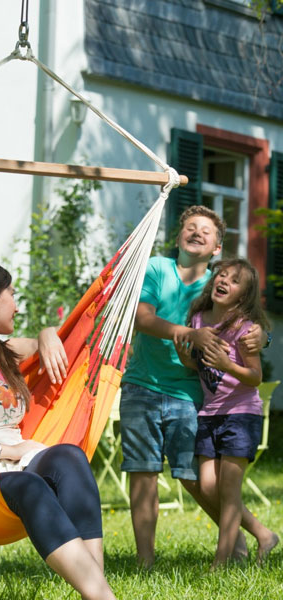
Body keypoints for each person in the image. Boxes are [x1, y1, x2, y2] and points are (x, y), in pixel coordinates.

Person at [0, 260, 117, 600]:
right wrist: (7, 452)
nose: (17, 305)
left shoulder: (5, 351)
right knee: (31, 485)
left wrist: (48, 335)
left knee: (70, 455)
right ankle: (103, 596)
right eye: (12, 295)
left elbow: (43, 342)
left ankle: (97, 590)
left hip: (23, 458)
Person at [119, 205, 273, 569]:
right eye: (191, 226)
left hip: (191, 393)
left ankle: (239, 539)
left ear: (217, 249)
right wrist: (189, 334)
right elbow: (141, 318)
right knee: (143, 472)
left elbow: (245, 320)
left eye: (207, 230)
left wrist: (261, 337)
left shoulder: (216, 286)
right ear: (179, 238)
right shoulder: (157, 267)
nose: (198, 232)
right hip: (142, 384)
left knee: (195, 479)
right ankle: (144, 562)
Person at [175, 258, 279, 568]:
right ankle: (264, 534)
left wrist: (228, 365)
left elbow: (254, 377)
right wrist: (185, 360)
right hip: (210, 415)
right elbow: (202, 366)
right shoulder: (197, 318)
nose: (225, 281)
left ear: (242, 296)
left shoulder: (244, 328)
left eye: (235, 281)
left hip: (241, 414)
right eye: (222, 275)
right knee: (208, 486)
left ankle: (222, 560)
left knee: (229, 490)